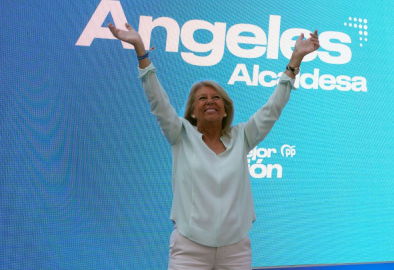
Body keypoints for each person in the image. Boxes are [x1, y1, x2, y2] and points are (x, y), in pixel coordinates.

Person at [108, 22, 319, 270]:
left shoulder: (243, 137)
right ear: (193, 112)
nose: (210, 101)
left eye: (216, 97)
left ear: (225, 109)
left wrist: (295, 61)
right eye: (202, 98)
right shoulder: (180, 134)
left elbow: (273, 108)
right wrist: (140, 51)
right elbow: (157, 100)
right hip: (189, 250)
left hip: (235, 251)